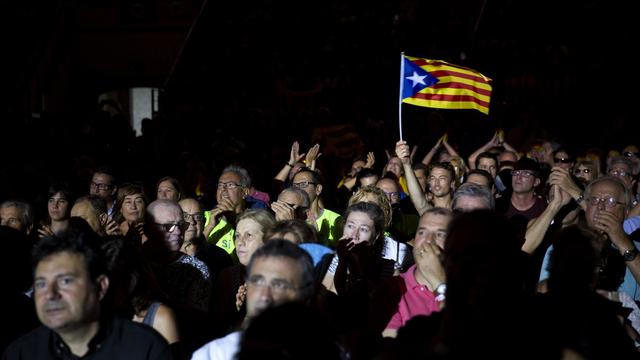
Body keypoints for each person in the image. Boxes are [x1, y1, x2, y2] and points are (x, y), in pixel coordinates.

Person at [3, 229, 172, 359]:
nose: (50, 294)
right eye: (41, 284)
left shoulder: (144, 348)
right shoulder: (21, 353)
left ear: (100, 286)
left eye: (65, 281)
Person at [191, 239, 315, 360]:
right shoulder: (215, 354)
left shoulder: (326, 353)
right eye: (257, 281)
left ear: (305, 294)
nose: (264, 296)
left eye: (279, 285)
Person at [376, 208, 453, 338]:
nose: (428, 241)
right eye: (422, 232)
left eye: (440, 234)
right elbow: (392, 349)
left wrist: (439, 282)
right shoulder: (393, 289)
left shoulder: (469, 287)